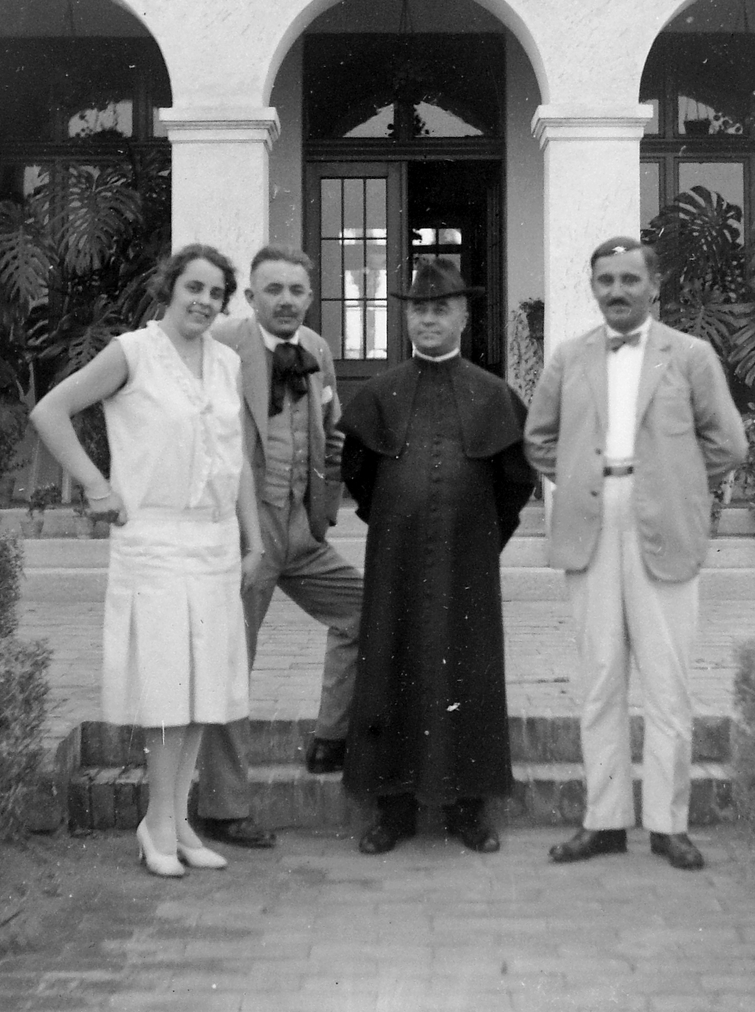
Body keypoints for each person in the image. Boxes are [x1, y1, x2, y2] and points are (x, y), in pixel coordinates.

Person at [29, 244, 264, 879]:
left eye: (216, 293)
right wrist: (97, 487)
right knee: (167, 687)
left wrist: (253, 540)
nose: (203, 302)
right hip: (154, 541)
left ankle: (176, 819)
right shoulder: (131, 352)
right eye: (194, 287)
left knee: (201, 687)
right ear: (170, 287)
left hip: (213, 543)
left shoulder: (225, 362)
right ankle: (157, 822)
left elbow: (235, 459)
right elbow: (49, 412)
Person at [524, 236, 747, 870]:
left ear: (653, 287)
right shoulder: (569, 358)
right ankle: (604, 820)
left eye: (628, 280)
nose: (617, 292)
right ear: (592, 288)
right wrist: (582, 476)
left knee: (668, 683)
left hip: (664, 524)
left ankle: (668, 824)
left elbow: (728, 444)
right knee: (599, 680)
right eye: (605, 281)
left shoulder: (691, 355)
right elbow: (539, 440)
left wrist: (674, 480)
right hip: (591, 521)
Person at [338, 258, 535, 856]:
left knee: (469, 671)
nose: (429, 318)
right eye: (419, 309)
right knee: (389, 668)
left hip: (469, 561)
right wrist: (403, 521)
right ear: (405, 318)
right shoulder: (377, 395)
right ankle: (391, 809)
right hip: (395, 559)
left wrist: (474, 537)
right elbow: (361, 478)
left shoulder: (495, 395)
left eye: (441, 308)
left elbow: (513, 483)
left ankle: (469, 809)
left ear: (464, 317)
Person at [195, 244, 363, 850]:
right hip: (245, 530)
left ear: (310, 295)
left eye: (296, 290)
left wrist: (326, 504)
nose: (286, 300)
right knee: (232, 661)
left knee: (363, 611)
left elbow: (333, 431)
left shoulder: (315, 350)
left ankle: (330, 737)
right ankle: (222, 804)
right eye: (273, 290)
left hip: (301, 527)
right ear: (250, 297)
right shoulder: (220, 347)